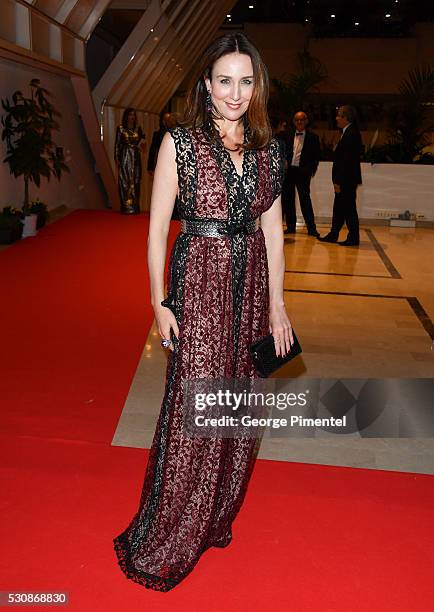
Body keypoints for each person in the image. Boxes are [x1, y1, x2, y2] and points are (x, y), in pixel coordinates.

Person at [113, 32, 294, 592]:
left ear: (256, 86)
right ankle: (170, 528)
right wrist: (157, 301)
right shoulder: (180, 143)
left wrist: (279, 307)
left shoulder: (268, 147)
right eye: (224, 81)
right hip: (201, 282)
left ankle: (214, 514)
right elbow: (155, 231)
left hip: (251, 288)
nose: (235, 93)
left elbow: (273, 229)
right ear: (206, 85)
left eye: (246, 81)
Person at [318, 105, 362, 246]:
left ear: (346, 118)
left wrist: (338, 181)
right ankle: (334, 234)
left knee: (348, 208)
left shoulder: (351, 134)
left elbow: (346, 161)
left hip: (346, 180)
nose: (336, 118)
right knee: (339, 208)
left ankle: (353, 237)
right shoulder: (347, 132)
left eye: (339, 115)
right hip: (346, 179)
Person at [282, 111, 320, 237]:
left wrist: (309, 171)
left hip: (303, 172)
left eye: (302, 120)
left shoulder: (313, 137)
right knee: (288, 200)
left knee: (305, 200)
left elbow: (316, 157)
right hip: (289, 172)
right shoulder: (287, 135)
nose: (299, 122)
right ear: (294, 122)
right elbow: (282, 151)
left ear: (306, 121)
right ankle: (291, 227)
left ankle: (311, 228)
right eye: (297, 120)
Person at [114, 108, 146, 214]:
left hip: (136, 157)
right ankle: (126, 207)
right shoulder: (121, 128)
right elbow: (117, 145)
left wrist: (143, 143)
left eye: (133, 115)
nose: (132, 117)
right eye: (130, 115)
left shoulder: (138, 128)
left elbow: (143, 143)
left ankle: (135, 206)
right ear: (126, 116)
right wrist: (117, 159)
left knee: (136, 181)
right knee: (125, 182)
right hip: (125, 157)